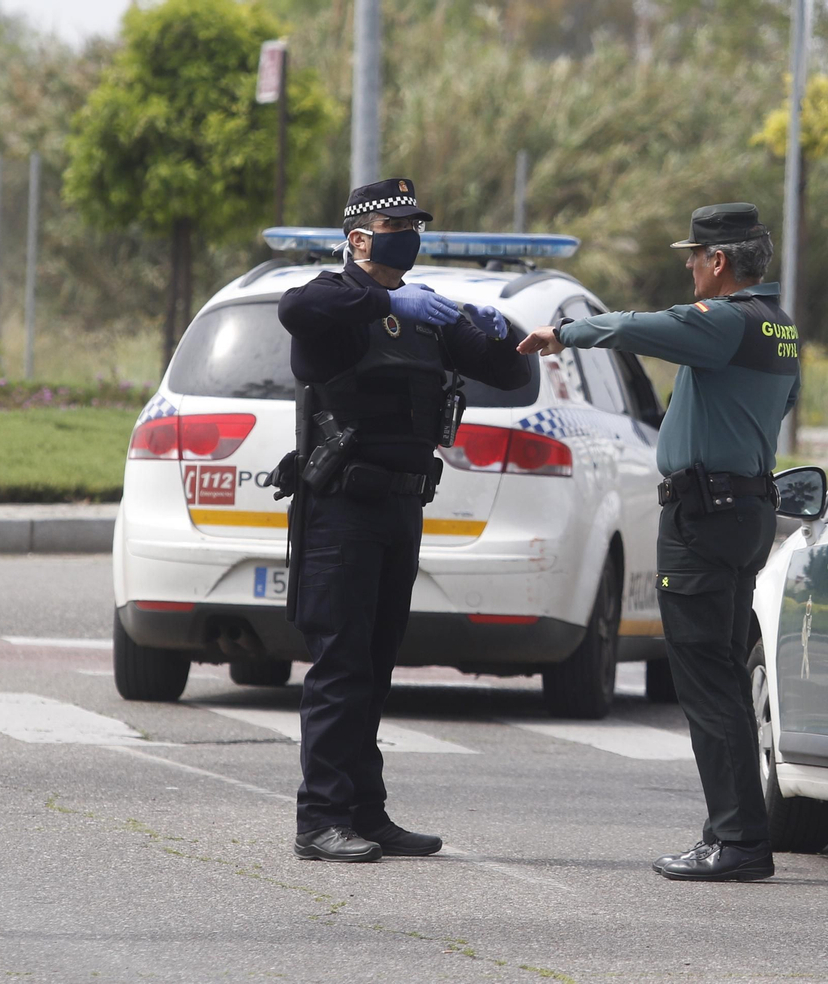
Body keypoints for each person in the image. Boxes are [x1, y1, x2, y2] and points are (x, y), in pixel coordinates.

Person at [518, 202, 799, 882]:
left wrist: (567, 334)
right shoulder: (780, 327)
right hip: (743, 509)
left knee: (706, 680)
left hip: (704, 518)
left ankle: (736, 842)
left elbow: (644, 327)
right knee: (725, 676)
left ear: (720, 262)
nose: (688, 266)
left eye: (694, 256)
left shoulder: (725, 321)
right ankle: (733, 832)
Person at [278, 178, 530, 862]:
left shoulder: (424, 318)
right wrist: (388, 298)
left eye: (416, 223)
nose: (409, 233)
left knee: (377, 664)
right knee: (341, 665)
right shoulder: (337, 304)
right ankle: (320, 819)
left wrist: (492, 328)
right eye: (396, 222)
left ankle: (366, 811)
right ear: (359, 237)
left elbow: (510, 376)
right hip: (342, 510)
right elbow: (297, 308)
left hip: (401, 506)